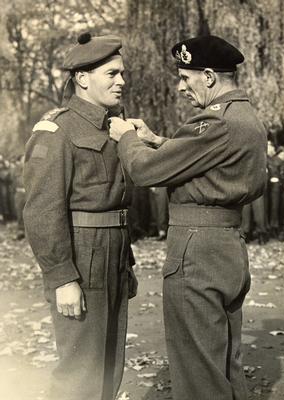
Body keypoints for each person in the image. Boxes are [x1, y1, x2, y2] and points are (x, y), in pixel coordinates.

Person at [109, 35, 267, 400]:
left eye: (186, 78)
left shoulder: (213, 123)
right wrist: (159, 141)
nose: (181, 87)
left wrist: (126, 138)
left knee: (198, 368)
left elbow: (146, 172)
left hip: (196, 248)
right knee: (225, 361)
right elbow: (212, 164)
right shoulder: (245, 118)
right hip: (228, 243)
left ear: (209, 76)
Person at [23, 32, 137, 400]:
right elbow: (42, 210)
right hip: (82, 258)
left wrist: (126, 262)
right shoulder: (57, 130)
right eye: (112, 73)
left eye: (122, 73)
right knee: (79, 373)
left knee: (109, 367)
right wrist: (61, 278)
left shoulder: (113, 126)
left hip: (114, 253)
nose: (121, 81)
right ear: (83, 79)